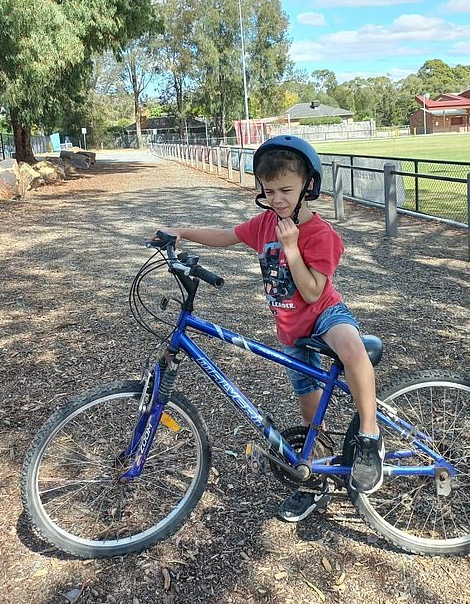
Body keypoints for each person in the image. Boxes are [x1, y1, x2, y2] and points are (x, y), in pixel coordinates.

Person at [157, 135, 383, 522]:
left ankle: (369, 436)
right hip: (292, 333)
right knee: (312, 418)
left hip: (324, 315)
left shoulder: (321, 235)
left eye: (286, 190)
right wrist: (183, 233)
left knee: (351, 347)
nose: (277, 199)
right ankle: (316, 479)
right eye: (270, 190)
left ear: (308, 187)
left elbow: (313, 292)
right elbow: (228, 236)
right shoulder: (264, 224)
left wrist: (292, 248)